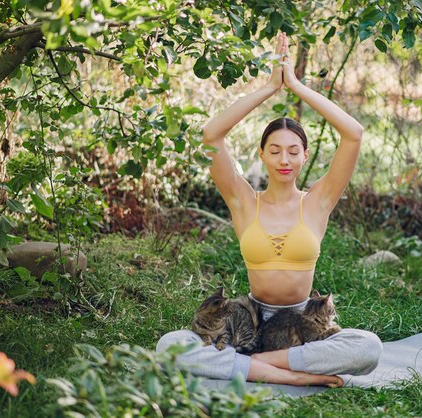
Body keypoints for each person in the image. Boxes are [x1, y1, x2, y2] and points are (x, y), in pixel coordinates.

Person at [156, 32, 382, 387]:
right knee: (169, 345)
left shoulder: (318, 202)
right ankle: (293, 376)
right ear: (262, 154)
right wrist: (268, 89)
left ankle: (260, 364)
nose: (284, 159)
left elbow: (353, 133)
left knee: (369, 347)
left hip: (301, 326)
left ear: (306, 155)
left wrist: (295, 85)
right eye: (274, 150)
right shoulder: (245, 202)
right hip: (246, 319)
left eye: (294, 150)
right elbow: (211, 135)